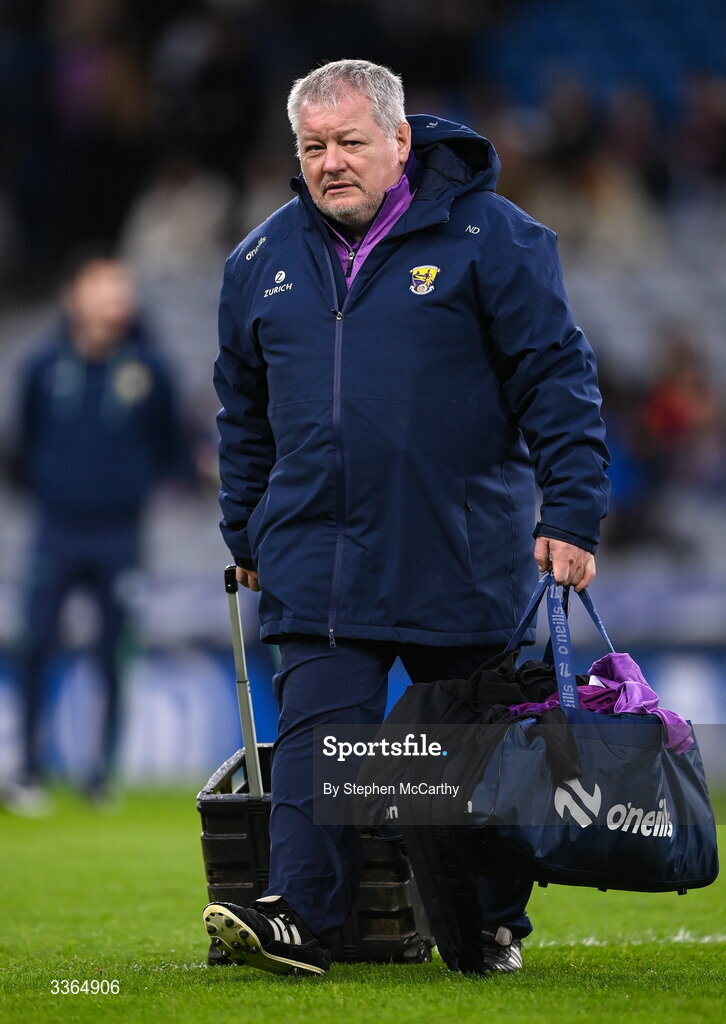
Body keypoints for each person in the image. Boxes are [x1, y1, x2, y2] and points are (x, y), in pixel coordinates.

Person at [205, 60, 609, 977]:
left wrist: (574, 513)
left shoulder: (497, 240)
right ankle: (300, 918)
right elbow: (242, 411)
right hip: (317, 553)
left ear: (400, 141)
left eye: (349, 142)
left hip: (459, 548)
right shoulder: (259, 261)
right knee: (320, 736)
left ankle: (489, 925)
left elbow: (557, 382)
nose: (330, 162)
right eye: (313, 146)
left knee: (473, 754)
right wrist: (248, 530)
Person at [6, 255, 192, 813]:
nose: (115, 299)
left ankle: (99, 774)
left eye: (121, 290)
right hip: (56, 531)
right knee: (36, 642)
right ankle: (29, 771)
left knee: (113, 650)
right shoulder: (42, 366)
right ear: (75, 297)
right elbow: (20, 447)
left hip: (119, 535)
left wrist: (140, 485)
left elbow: (173, 450)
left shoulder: (151, 368)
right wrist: (53, 485)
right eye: (103, 288)